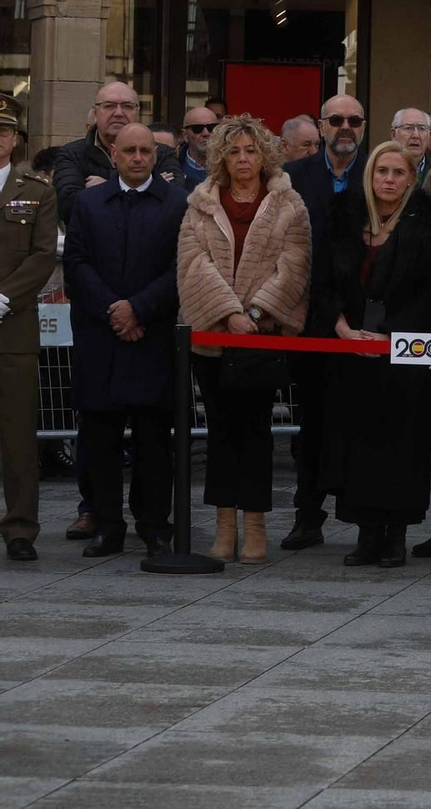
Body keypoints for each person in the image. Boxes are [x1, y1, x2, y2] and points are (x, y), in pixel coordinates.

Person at [176, 115, 312, 564]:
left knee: (256, 433)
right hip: (213, 336)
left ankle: (255, 527)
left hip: (261, 337)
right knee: (220, 433)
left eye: (250, 150)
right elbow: (192, 264)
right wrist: (229, 312)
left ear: (265, 155)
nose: (243, 159)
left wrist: (253, 312)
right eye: (233, 151)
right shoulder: (199, 203)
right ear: (220, 157)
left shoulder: (289, 203)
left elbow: (294, 266)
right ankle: (224, 525)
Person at [312, 140, 431, 569]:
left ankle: (395, 535)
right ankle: (366, 532)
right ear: (370, 175)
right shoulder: (344, 218)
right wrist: (342, 328)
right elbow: (323, 281)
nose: (388, 180)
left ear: (412, 178)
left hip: (402, 354)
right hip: (350, 349)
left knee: (401, 443)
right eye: (381, 172)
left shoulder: (428, 225)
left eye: (398, 173)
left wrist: (388, 338)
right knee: (356, 441)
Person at [63, 124, 187, 559]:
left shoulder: (178, 203)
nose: (137, 158)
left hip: (152, 337)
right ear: (112, 154)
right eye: (129, 150)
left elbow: (181, 268)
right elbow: (75, 262)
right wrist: (114, 311)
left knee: (154, 441)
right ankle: (107, 525)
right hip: (101, 337)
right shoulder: (89, 202)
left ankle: (155, 526)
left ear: (156, 156)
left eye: (145, 151)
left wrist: (139, 308)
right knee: (100, 439)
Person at [279, 93, 368, 551]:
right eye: (337, 120)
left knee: (362, 423)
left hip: (364, 321)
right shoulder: (292, 178)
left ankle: (364, 521)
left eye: (354, 119)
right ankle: (307, 516)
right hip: (307, 321)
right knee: (310, 426)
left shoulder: (379, 174)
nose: (346, 127)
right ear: (322, 125)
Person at [0, 95, 58, 562]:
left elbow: (43, 255)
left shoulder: (36, 190)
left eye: (3, 131)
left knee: (17, 435)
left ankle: (20, 529)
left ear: (16, 139)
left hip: (12, 328)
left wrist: (3, 297)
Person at [52, 79, 178, 222]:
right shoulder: (71, 154)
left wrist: (106, 186)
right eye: (109, 106)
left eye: (127, 106)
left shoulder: (163, 154)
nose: (118, 113)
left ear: (137, 113)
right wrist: (146, 187)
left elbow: (174, 204)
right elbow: (70, 207)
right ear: (95, 114)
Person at [178, 105, 217, 190]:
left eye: (212, 128)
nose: (206, 133)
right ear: (185, 135)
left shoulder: (230, 166)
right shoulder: (174, 167)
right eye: (197, 128)